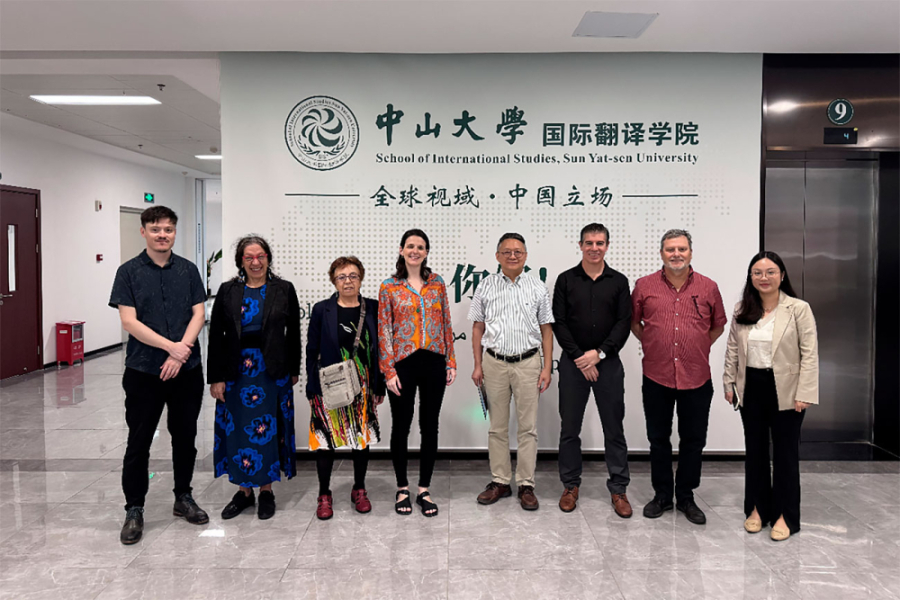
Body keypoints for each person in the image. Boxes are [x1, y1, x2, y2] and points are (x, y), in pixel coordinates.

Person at [109, 206, 208, 545]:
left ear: (175, 232)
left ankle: (183, 497)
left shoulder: (189, 270)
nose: (162, 234)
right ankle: (134, 508)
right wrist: (173, 348)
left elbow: (199, 313)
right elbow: (129, 322)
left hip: (187, 371)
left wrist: (182, 351)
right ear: (144, 232)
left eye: (168, 229)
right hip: (143, 371)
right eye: (155, 229)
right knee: (139, 442)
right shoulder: (128, 272)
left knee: (185, 438)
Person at [631, 229, 726, 525]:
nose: (676, 254)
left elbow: (717, 326)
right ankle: (662, 495)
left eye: (682, 249)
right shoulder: (644, 286)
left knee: (693, 440)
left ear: (691, 253)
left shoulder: (708, 287)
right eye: (670, 249)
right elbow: (635, 323)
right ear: (661, 253)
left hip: (696, 377)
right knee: (658, 439)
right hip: (656, 375)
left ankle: (686, 496)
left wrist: (696, 346)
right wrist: (652, 343)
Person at [723, 251, 818, 541]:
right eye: (758, 273)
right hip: (751, 386)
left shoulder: (798, 308)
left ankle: (785, 515)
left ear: (782, 275)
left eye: (770, 272)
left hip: (787, 388)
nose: (764, 278)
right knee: (755, 451)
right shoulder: (743, 308)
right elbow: (733, 350)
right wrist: (729, 382)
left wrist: (805, 392)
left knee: (786, 454)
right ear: (751, 278)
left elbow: (810, 354)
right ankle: (757, 509)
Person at [207, 235, 300, 521]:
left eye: (261, 256)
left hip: (272, 371)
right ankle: (244, 492)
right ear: (241, 262)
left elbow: (294, 332)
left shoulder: (283, 289)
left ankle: (267, 491)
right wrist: (216, 377)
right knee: (238, 430)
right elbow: (216, 338)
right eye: (249, 257)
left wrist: (294, 370)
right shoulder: (228, 291)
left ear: (268, 259)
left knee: (269, 431)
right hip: (236, 372)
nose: (256, 262)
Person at [552, 223, 632, 516]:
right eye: (589, 243)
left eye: (600, 243)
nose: (594, 248)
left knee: (614, 429)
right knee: (569, 429)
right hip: (574, 366)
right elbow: (559, 322)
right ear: (580, 245)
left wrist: (598, 355)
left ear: (607, 246)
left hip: (608, 364)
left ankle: (619, 489)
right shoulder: (565, 280)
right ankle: (570, 485)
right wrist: (580, 358)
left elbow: (624, 323)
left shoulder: (619, 282)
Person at [470, 233, 554, 511]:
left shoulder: (537, 287)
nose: (513, 256)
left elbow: (546, 329)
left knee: (528, 428)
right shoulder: (486, 286)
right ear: (497, 256)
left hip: (529, 363)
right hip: (494, 363)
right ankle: (500, 481)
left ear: (526, 256)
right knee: (497, 427)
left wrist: (546, 367)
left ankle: (526, 484)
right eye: (506, 252)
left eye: (518, 251)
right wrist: (478, 364)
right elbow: (478, 327)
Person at [378, 229, 456, 517]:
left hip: (434, 360)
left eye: (420, 247)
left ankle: (424, 488)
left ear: (426, 252)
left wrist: (451, 361)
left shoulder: (437, 284)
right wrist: (388, 370)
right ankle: (402, 487)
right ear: (401, 250)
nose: (415, 250)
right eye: (410, 246)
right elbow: (384, 329)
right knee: (401, 425)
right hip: (402, 364)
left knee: (429, 424)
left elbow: (446, 322)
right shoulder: (389, 287)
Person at [306, 256, 385, 520]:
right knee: (325, 441)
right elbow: (311, 350)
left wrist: (378, 385)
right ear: (333, 281)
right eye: (342, 277)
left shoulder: (373, 308)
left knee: (360, 440)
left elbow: (380, 349)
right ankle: (324, 494)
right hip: (329, 385)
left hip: (362, 386)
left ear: (361, 278)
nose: (348, 281)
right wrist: (312, 386)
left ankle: (359, 488)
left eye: (353, 276)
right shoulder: (321, 310)